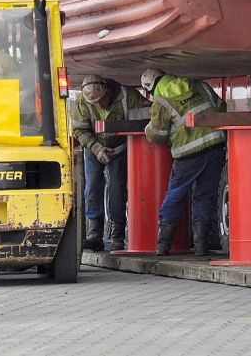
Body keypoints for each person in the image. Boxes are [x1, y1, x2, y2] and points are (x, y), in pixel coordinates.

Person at [141, 68, 226, 256]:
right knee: (205, 196)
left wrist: (147, 129)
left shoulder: (160, 99)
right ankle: (201, 247)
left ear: (150, 88)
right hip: (215, 145)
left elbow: (158, 135)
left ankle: (163, 246)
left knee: (175, 194)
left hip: (188, 152)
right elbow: (221, 108)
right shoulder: (198, 84)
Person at [72, 75, 150, 251]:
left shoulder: (128, 96)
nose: (99, 105)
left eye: (101, 100)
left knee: (117, 189)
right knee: (92, 187)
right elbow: (79, 130)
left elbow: (150, 113)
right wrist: (96, 148)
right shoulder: (82, 102)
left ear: (107, 90)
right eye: (95, 103)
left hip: (120, 148)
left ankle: (117, 235)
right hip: (94, 148)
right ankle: (94, 234)